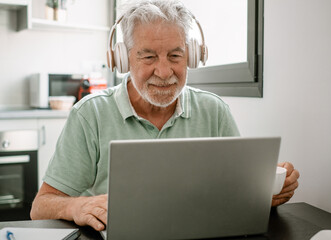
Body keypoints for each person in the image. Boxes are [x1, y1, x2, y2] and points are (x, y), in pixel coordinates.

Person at [30, 0, 300, 231]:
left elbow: (239, 193)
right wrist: (78, 206)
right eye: (148, 57)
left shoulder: (214, 111)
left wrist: (268, 192)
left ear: (192, 56)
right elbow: (40, 207)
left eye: (175, 56)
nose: (164, 71)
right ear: (123, 59)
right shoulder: (90, 114)